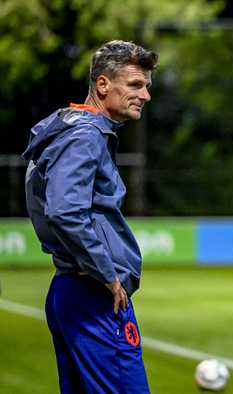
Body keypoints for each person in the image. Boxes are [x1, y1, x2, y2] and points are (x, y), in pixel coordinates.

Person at [23, 40, 158, 393]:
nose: (144, 95)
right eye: (134, 85)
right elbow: (65, 211)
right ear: (102, 85)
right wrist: (107, 273)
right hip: (93, 292)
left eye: (146, 86)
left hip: (73, 287)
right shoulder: (86, 135)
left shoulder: (68, 128)